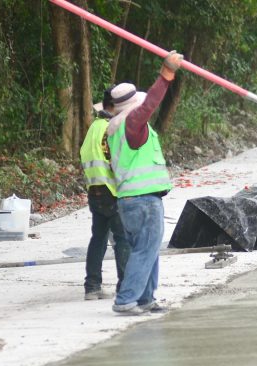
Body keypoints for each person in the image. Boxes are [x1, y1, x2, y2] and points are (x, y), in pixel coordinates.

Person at [105, 51, 182, 315]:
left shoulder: (114, 127)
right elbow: (149, 105)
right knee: (145, 250)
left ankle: (146, 298)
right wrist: (166, 74)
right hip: (143, 199)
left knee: (146, 249)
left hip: (130, 200)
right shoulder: (132, 123)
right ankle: (126, 299)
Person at [80, 89, 130, 300]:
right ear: (114, 106)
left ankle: (92, 287)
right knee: (122, 239)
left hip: (95, 190)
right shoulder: (112, 128)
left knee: (98, 238)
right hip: (113, 191)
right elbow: (117, 160)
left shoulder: (94, 127)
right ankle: (126, 287)